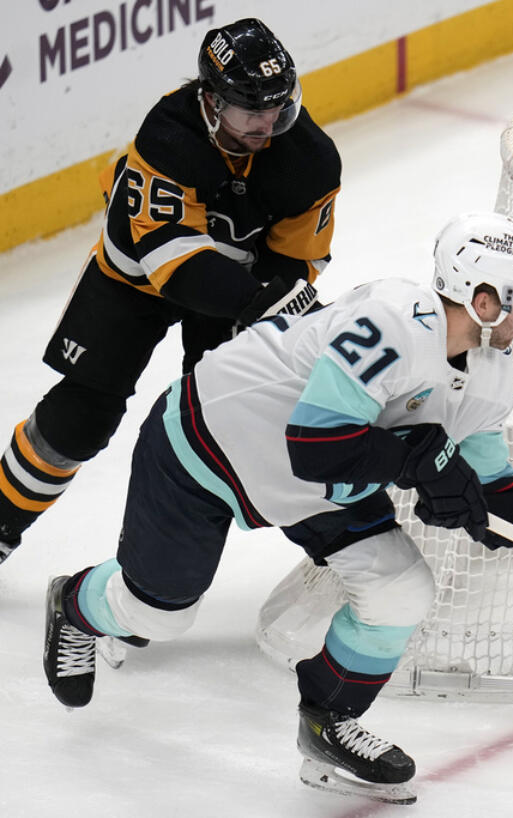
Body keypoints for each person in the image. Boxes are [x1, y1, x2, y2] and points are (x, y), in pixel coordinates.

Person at [41, 212, 513, 805]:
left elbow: (495, 489)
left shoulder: (489, 373)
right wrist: (420, 461)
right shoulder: (392, 320)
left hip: (325, 485)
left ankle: (329, 722)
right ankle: (75, 603)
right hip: (209, 445)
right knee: (159, 613)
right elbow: (315, 444)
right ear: (480, 297)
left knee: (401, 588)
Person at [0, 18, 338, 563]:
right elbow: (176, 266)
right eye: (252, 110)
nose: (269, 122)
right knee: (77, 420)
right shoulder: (167, 136)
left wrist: (284, 307)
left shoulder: (310, 160)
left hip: (232, 293)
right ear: (210, 101)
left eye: (278, 106)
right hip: (131, 281)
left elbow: (299, 259)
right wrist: (264, 304)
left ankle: (335, 551)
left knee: (237, 423)